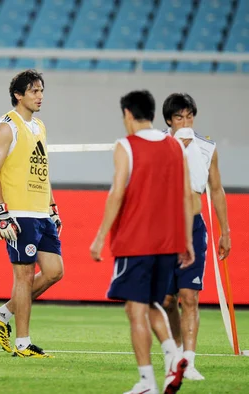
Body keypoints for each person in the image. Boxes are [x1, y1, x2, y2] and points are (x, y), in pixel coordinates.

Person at [89, 90, 195, 394]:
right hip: (168, 242)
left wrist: (99, 238)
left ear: (127, 114)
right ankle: (174, 358)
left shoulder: (125, 146)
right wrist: (186, 239)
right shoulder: (175, 146)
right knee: (150, 304)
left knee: (135, 311)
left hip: (135, 242)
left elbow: (117, 194)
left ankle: (147, 382)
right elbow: (186, 194)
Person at [0, 69, 64, 358]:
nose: (39, 96)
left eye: (41, 91)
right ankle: (22, 343)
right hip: (18, 213)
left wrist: (53, 207)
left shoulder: (39, 126)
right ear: (18, 94)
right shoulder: (7, 127)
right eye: (33, 91)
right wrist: (0, 213)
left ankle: (2, 315)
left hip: (41, 212)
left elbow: (42, 170)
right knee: (25, 278)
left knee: (55, 272)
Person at [156, 93, 231, 381]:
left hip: (195, 227)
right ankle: (173, 354)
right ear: (168, 121)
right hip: (163, 229)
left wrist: (226, 230)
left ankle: (188, 360)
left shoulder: (206, 147)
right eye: (179, 118)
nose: (185, 122)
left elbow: (216, 189)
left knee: (190, 296)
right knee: (165, 299)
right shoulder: (157, 145)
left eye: (189, 116)